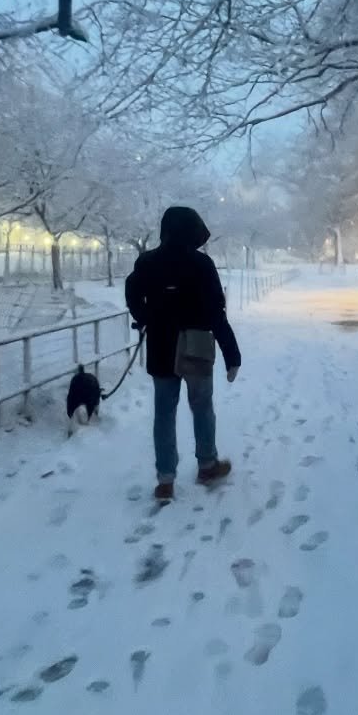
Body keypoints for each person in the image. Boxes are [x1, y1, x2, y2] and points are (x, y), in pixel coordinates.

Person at [125, 205, 241, 501]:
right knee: (202, 407)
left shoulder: (147, 261)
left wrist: (145, 314)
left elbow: (132, 291)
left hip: (162, 347)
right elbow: (217, 311)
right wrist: (231, 353)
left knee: (164, 413)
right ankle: (207, 465)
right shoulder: (202, 264)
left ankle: (165, 480)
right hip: (197, 347)